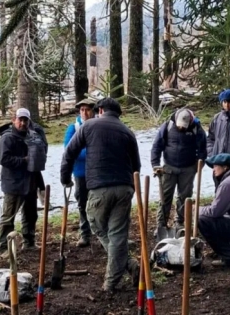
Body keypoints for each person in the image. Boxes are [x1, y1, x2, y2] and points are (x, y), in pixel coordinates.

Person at [60, 98, 141, 292]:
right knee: (118, 234)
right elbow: (136, 165)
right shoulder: (127, 132)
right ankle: (117, 276)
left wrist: (65, 178)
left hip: (100, 187)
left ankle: (124, 267)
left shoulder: (89, 126)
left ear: (101, 110)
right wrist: (131, 189)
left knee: (95, 224)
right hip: (124, 188)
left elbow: (69, 153)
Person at [0, 108, 47, 253]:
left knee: (30, 214)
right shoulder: (7, 138)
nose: (23, 123)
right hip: (14, 183)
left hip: (31, 181)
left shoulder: (33, 136)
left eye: (26, 120)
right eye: (20, 119)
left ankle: (29, 242)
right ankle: (4, 247)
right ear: (14, 120)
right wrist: (23, 161)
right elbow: (4, 159)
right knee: (8, 217)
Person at [150, 108, 207, 233]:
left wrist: (198, 165)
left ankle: (179, 223)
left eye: (184, 127)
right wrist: (155, 164)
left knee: (184, 196)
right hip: (169, 167)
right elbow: (157, 145)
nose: (181, 128)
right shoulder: (167, 126)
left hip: (188, 168)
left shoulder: (197, 129)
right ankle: (161, 224)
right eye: (179, 126)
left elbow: (203, 149)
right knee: (165, 197)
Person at [63, 98, 96, 247]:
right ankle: (85, 233)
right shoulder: (74, 128)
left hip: (97, 172)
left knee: (98, 203)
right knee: (82, 203)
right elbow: (69, 150)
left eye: (87, 109)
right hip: (80, 173)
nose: (85, 113)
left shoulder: (98, 126)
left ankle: (99, 231)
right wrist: (91, 152)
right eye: (82, 110)